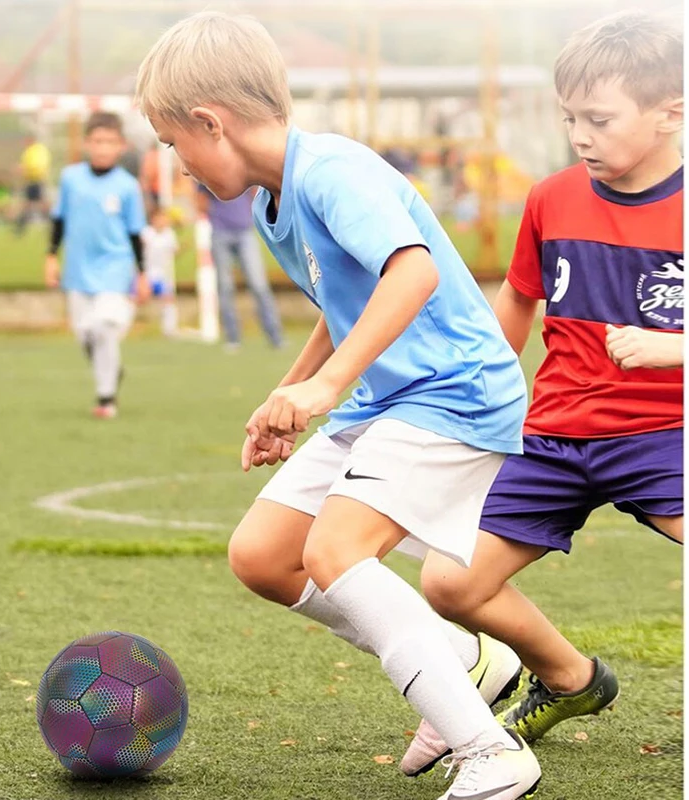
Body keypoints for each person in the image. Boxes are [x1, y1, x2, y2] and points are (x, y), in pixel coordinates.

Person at [135, 12, 541, 800]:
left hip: (456, 391)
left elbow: (411, 274)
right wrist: (287, 391)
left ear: (209, 123)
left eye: (171, 141)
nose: (175, 163)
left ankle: (491, 752)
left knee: (335, 551)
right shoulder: (270, 201)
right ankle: (466, 662)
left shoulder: (332, 170)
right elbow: (342, 299)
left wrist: (325, 390)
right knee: (263, 554)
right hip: (388, 400)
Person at [400, 9, 684, 777]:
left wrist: (675, 347)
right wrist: (478, 385)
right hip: (553, 435)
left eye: (599, 118)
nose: (580, 135)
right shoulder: (551, 198)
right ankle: (570, 678)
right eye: (570, 119)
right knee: (450, 581)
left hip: (664, 439)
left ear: (670, 113)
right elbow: (518, 304)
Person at [45, 112, 150, 419]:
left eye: (110, 142)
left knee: (102, 325)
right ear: (87, 144)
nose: (103, 148)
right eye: (98, 141)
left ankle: (106, 398)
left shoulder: (128, 186)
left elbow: (134, 233)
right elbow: (58, 220)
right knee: (86, 335)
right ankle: (111, 371)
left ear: (121, 146)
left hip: (114, 268)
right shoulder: (70, 179)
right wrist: (51, 256)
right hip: (78, 270)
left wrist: (142, 274)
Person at [196, 185, 284, 351]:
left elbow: (255, 192)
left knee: (259, 285)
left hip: (245, 231)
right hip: (220, 232)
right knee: (225, 287)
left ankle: (275, 336)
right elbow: (201, 201)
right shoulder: (208, 168)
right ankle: (233, 338)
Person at [141, 204, 180, 336]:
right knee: (135, 299)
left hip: (163, 275)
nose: (162, 221)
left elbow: (175, 251)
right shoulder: (146, 233)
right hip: (147, 275)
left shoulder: (170, 234)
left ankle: (169, 330)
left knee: (168, 300)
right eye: (159, 218)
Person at [16, 135, 51, 235]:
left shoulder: (38, 151)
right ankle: (20, 227)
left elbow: (38, 165)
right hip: (30, 181)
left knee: (43, 204)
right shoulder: (28, 151)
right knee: (27, 205)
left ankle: (53, 224)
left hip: (38, 180)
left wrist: (25, 168)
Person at [140, 142, 162, 213]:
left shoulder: (150, 156)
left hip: (153, 188)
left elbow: (148, 172)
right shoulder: (158, 155)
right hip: (156, 187)